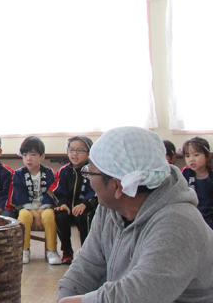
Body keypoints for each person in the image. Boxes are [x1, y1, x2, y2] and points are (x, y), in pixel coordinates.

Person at [57, 126, 213, 303]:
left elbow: (139, 295)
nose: (89, 180)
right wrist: (65, 297)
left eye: (90, 173)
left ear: (117, 186)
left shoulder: (177, 224)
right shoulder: (109, 208)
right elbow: (87, 265)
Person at [12, 136, 61, 265]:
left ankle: (52, 250)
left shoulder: (49, 172)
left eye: (33, 154)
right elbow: (19, 194)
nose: (29, 158)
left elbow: (52, 191)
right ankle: (24, 250)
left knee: (50, 216)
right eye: (25, 155)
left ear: (42, 157)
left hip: (45, 207)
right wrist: (34, 212)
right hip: (27, 207)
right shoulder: (19, 174)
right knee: (23, 216)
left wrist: (42, 209)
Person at [50, 136, 97, 264]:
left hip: (86, 207)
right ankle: (67, 251)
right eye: (71, 150)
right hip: (69, 208)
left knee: (84, 217)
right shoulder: (64, 171)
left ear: (89, 153)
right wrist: (63, 204)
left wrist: (85, 204)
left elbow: (96, 191)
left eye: (80, 151)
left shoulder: (93, 170)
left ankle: (86, 252)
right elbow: (57, 190)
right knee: (60, 214)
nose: (75, 154)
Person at [181, 137, 213, 229]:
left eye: (196, 155)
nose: (191, 159)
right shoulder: (184, 173)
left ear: (207, 156)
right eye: (188, 156)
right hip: (191, 214)